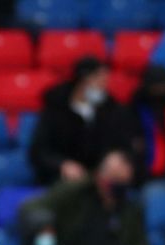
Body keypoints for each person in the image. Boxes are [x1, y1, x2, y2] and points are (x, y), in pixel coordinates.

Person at [20, 150, 150, 245]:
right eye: (115, 181)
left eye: (123, 183)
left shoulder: (131, 208)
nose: (119, 188)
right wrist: (45, 225)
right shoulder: (75, 191)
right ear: (101, 177)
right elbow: (31, 208)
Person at [29, 56, 138, 186]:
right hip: (61, 180)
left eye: (105, 81)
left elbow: (125, 145)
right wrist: (62, 164)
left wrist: (116, 158)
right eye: (98, 81)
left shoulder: (113, 110)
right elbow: (39, 151)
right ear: (82, 81)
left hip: (102, 180)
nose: (103, 86)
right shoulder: (56, 109)